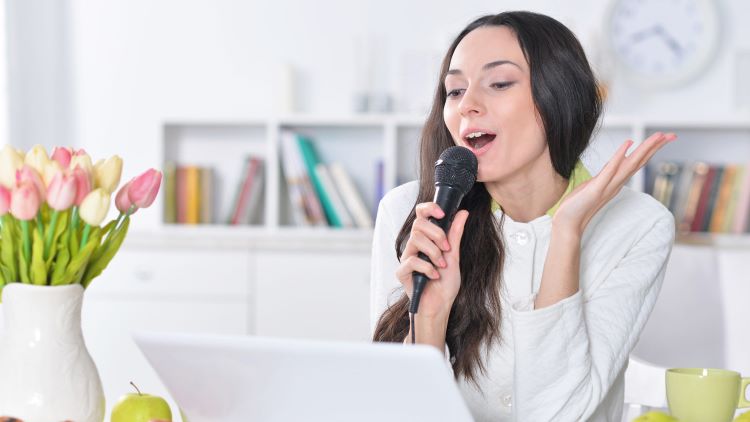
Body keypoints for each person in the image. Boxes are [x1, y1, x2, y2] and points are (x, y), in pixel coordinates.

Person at [370, 11, 677, 422]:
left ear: (559, 97)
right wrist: (429, 318)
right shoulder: (411, 214)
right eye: (455, 90)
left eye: (499, 83)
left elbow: (559, 414)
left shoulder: (638, 225)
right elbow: (393, 411)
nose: (468, 106)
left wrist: (566, 232)